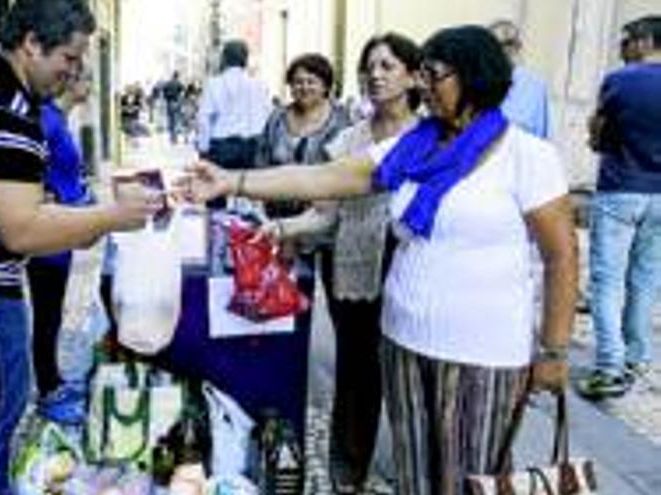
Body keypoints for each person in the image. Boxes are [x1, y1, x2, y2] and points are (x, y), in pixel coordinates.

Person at [182, 25, 577, 495]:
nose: (424, 85)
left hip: (484, 354)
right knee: (415, 478)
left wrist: (553, 351)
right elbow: (323, 178)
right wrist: (233, 181)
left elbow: (562, 257)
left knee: (469, 482)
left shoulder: (527, 156)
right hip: (405, 340)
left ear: (473, 76)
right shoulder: (415, 146)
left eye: (434, 74)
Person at [0, 1, 159, 493]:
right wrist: (114, 216)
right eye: (69, 59)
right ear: (31, 43)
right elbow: (21, 230)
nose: (74, 73)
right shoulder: (6, 106)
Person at [264, 33, 421, 494]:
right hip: (351, 264)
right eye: (368, 66)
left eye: (387, 66)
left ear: (412, 76)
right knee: (357, 368)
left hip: (409, 265)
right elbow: (325, 213)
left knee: (408, 369)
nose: (374, 74)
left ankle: (416, 465)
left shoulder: (432, 138)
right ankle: (348, 467)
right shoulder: (348, 139)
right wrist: (282, 230)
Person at [578, 15, 661, 400]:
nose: (622, 48)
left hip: (620, 190)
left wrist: (595, 131)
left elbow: (597, 137)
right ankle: (635, 359)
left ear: (645, 41)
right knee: (645, 280)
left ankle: (609, 366)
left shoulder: (620, 80)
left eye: (626, 40)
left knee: (606, 281)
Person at [28, 64, 95, 425]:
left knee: (54, 310)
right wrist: (46, 197)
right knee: (47, 312)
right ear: (73, 81)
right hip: (50, 235)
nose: (92, 87)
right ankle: (47, 386)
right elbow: (30, 165)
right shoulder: (49, 119)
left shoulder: (61, 119)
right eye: (88, 79)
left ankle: (52, 379)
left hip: (64, 232)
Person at [256, 52, 349, 221]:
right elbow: (262, 160)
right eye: (297, 82)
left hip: (321, 220)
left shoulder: (341, 121)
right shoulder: (277, 118)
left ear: (325, 86)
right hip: (277, 215)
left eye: (311, 82)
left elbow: (345, 174)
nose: (304, 87)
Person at [195, 39, 271, 171]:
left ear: (224, 58)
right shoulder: (259, 85)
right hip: (253, 147)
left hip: (222, 148)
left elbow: (204, 119)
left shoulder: (214, 84)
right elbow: (267, 116)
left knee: (220, 188)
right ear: (245, 59)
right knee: (249, 189)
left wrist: (203, 149)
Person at [489, 19, 552, 138]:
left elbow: (545, 135)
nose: (505, 51)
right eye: (499, 45)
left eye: (510, 44)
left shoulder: (536, 86)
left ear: (518, 47)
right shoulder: (479, 81)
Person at [162, 70, 185, 143]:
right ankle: (175, 138)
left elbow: (163, 91)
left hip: (169, 103)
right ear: (177, 76)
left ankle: (171, 137)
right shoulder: (179, 83)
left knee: (171, 120)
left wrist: (167, 98)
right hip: (176, 103)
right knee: (176, 120)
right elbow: (183, 90)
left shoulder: (168, 83)